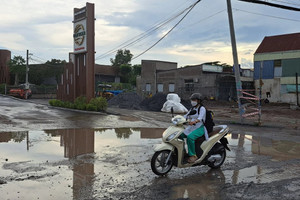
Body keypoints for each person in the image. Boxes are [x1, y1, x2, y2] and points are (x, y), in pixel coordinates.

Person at [180, 93, 209, 163]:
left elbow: (200, 118)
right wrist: (179, 119)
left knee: (190, 137)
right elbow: (186, 116)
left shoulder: (202, 109)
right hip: (191, 127)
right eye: (192, 100)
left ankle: (193, 155)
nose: (192, 101)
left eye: (194, 100)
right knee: (180, 135)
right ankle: (182, 151)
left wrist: (194, 121)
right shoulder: (193, 109)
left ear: (198, 101)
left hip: (200, 128)